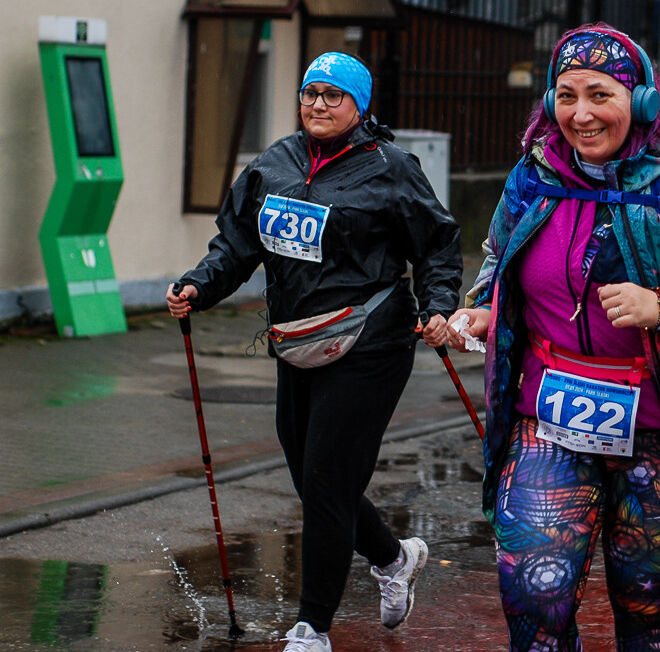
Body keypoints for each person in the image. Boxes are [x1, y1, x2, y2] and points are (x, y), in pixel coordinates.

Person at [446, 22, 660, 652]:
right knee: (535, 592)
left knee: (649, 602)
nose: (580, 114)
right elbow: (497, 258)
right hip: (548, 414)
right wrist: (481, 308)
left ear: (638, 100)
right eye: (565, 95)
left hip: (658, 427)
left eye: (599, 94)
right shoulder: (532, 176)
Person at [166, 52, 462, 652]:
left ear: (360, 106)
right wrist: (199, 285)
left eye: (334, 96)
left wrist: (438, 307)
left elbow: (435, 245)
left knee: (327, 480)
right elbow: (237, 243)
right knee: (313, 478)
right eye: (311, 93)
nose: (319, 105)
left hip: (371, 342)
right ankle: (394, 557)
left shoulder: (390, 168)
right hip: (297, 341)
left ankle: (313, 628)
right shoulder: (275, 163)